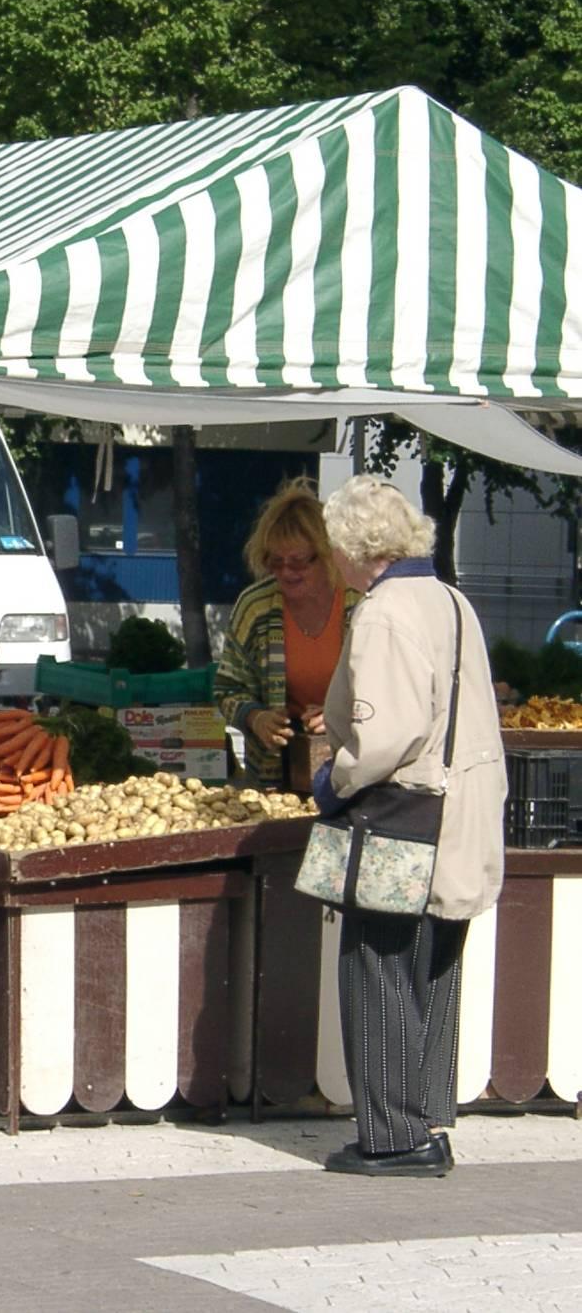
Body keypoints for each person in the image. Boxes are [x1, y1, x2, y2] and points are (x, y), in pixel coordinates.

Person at [311, 475, 506, 1178]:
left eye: (334, 547)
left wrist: (334, 780)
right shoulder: (451, 598)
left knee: (380, 969)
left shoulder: (386, 611)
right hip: (458, 815)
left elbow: (387, 733)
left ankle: (395, 1140)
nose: (333, 561)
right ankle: (426, 1121)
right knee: (433, 969)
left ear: (358, 547)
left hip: (403, 818)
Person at [214, 477, 359, 787]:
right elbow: (227, 689)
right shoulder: (256, 605)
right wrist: (256, 717)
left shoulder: (361, 603)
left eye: (298, 562)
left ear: (327, 555)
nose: (285, 572)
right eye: (275, 562)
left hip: (356, 765)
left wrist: (341, 713)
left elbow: (391, 691)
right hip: (276, 772)